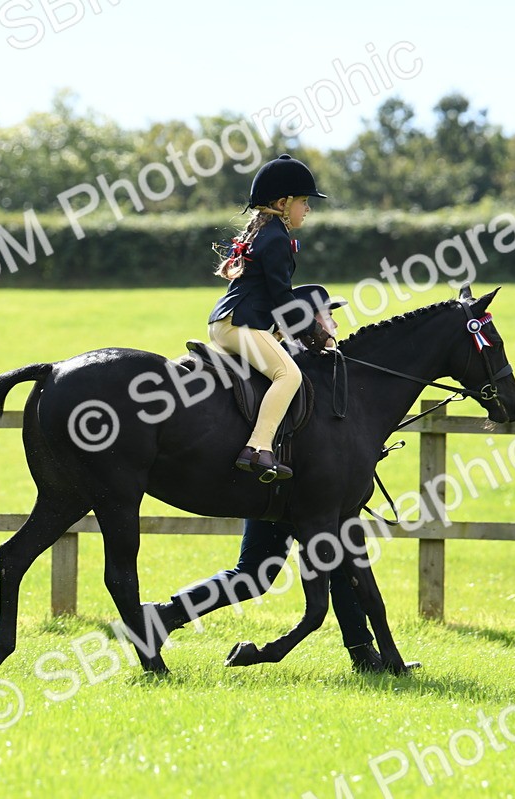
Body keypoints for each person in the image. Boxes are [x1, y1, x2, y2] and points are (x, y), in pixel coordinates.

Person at [155, 287, 420, 673]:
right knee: (254, 577)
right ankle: (165, 615)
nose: (334, 324)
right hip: (275, 492)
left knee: (322, 568)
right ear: (304, 322)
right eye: (327, 317)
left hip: (293, 492)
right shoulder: (295, 371)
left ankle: (365, 655)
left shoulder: (320, 368)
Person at [207, 154, 330, 482]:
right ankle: (258, 448)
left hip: (230, 321)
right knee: (289, 375)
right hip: (238, 323)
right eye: (303, 201)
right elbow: (282, 297)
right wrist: (313, 331)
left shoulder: (268, 232)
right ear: (282, 203)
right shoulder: (276, 238)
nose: (307, 209)